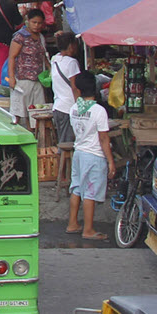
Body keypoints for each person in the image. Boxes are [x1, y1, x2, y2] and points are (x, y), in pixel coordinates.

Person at [67, 70, 115, 240]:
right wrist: (111, 161)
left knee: (77, 187)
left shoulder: (74, 108)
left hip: (79, 152)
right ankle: (88, 230)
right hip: (94, 155)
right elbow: (103, 138)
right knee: (90, 192)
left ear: (78, 89)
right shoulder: (99, 111)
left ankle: (72, 223)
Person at [5, 8, 49, 127]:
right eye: (34, 22)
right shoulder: (20, 37)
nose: (36, 25)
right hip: (23, 79)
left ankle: (35, 135)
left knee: (37, 112)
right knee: (19, 111)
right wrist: (12, 77)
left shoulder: (40, 37)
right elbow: (12, 57)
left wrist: (50, 71)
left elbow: (44, 56)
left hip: (38, 79)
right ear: (28, 21)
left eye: (39, 23)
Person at [50, 31, 83, 188]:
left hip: (58, 107)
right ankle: (63, 176)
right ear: (71, 46)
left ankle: (63, 174)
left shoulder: (55, 59)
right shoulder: (72, 63)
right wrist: (80, 107)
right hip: (68, 107)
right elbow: (75, 87)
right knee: (67, 142)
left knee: (63, 139)